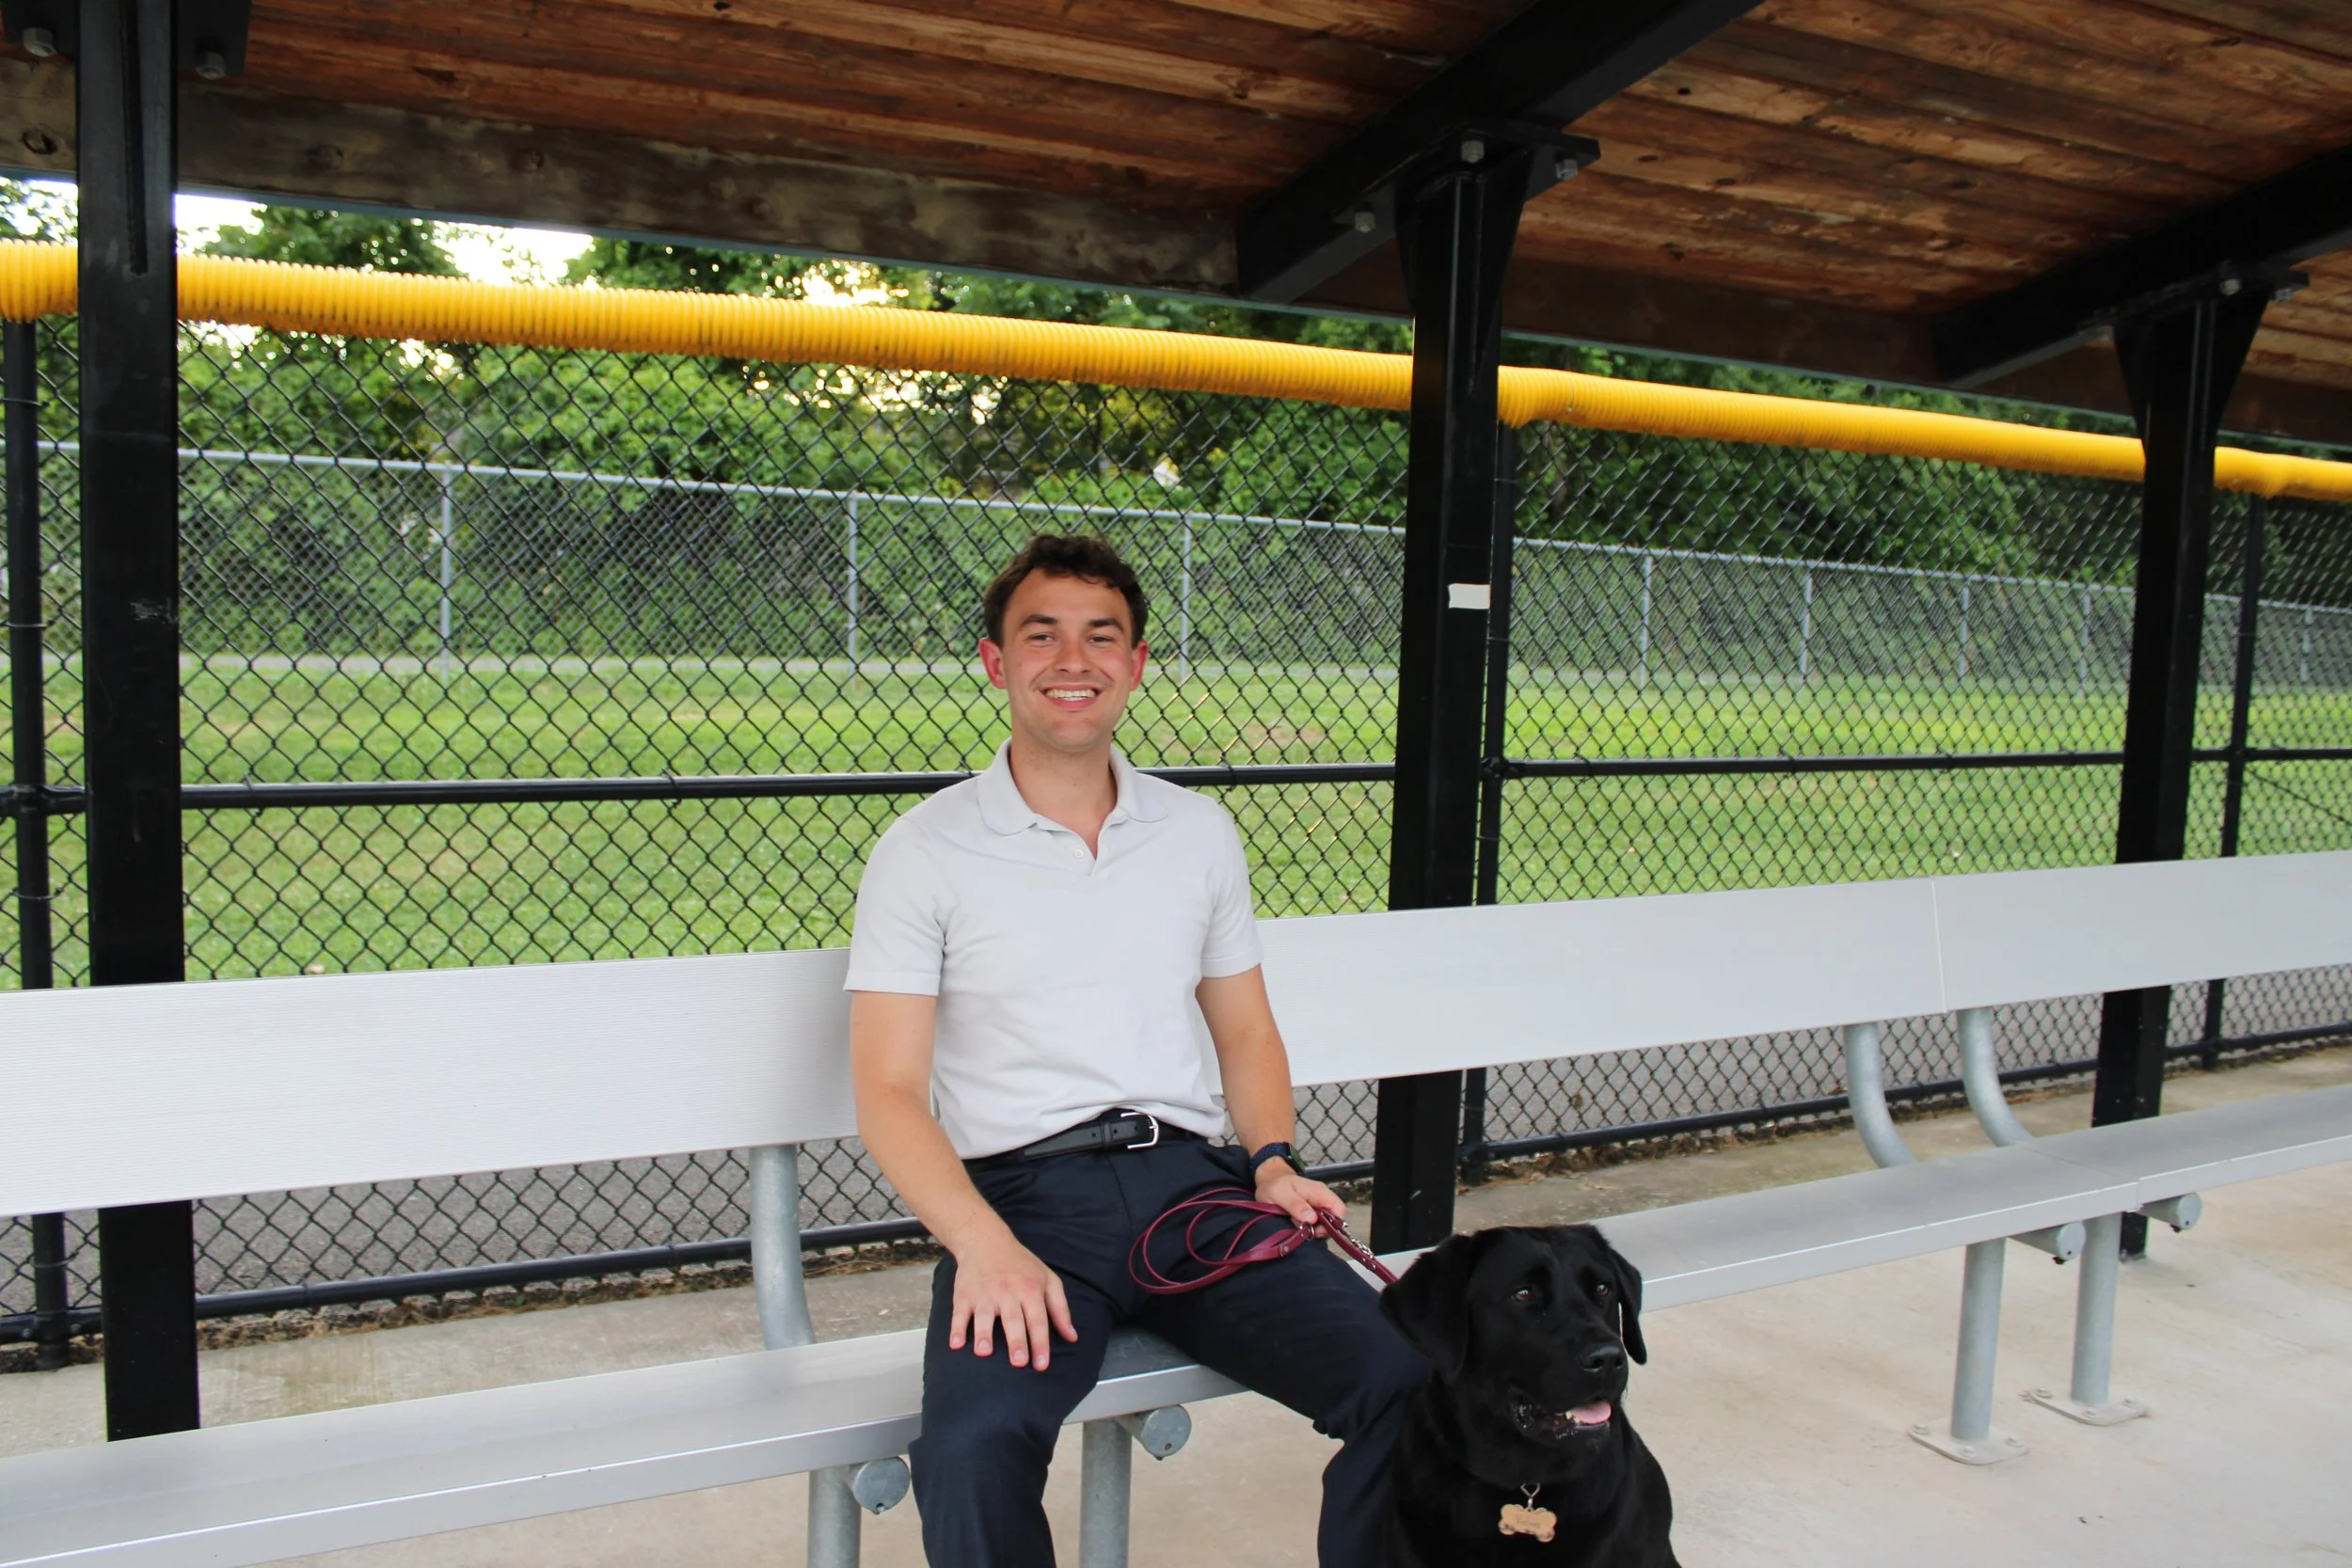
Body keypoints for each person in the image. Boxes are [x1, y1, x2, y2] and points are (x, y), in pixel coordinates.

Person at [845, 533, 1426, 1567]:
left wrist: (1276, 1161)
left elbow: (1243, 1026)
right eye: (1043, 634)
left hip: (1194, 1194)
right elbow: (888, 1087)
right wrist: (980, 1244)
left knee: (1409, 1378)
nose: (1074, 659)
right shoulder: (924, 849)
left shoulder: (1195, 831)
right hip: (1026, 1207)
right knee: (973, 1445)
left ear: (1137, 662)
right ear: (994, 661)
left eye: (1100, 635)